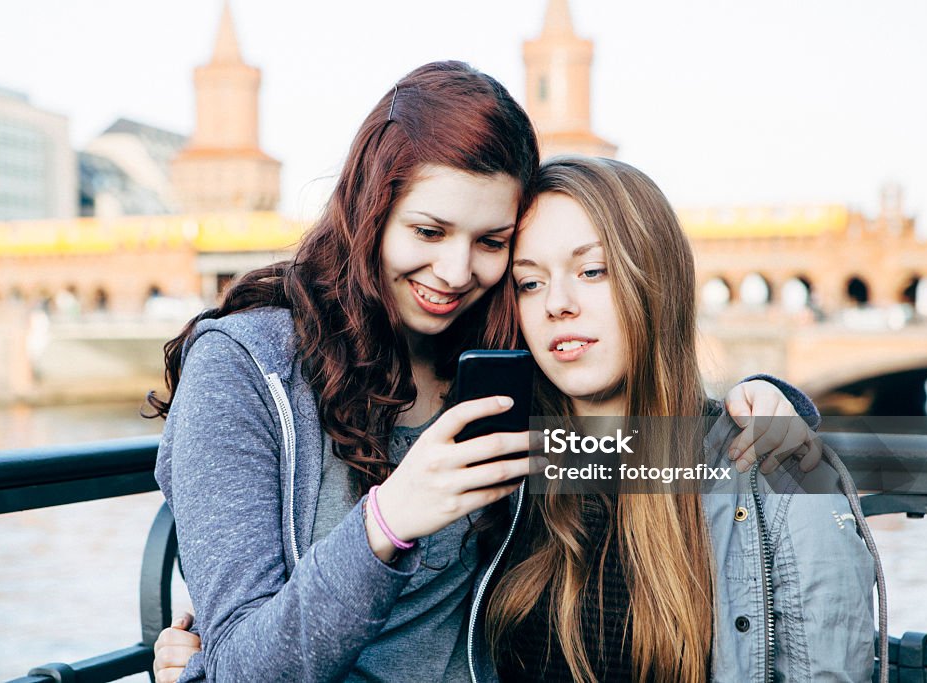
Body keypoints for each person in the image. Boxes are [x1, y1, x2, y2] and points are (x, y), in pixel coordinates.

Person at [149, 62, 824, 683]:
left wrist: (775, 405)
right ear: (369, 211)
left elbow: (643, 439)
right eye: (429, 231)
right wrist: (386, 522)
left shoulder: (499, 358)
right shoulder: (247, 369)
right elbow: (240, 666)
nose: (455, 272)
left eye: (492, 242)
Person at [480, 156, 882, 682]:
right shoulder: (499, 471)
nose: (557, 303)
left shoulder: (781, 482)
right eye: (529, 283)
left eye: (592, 271)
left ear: (656, 281)